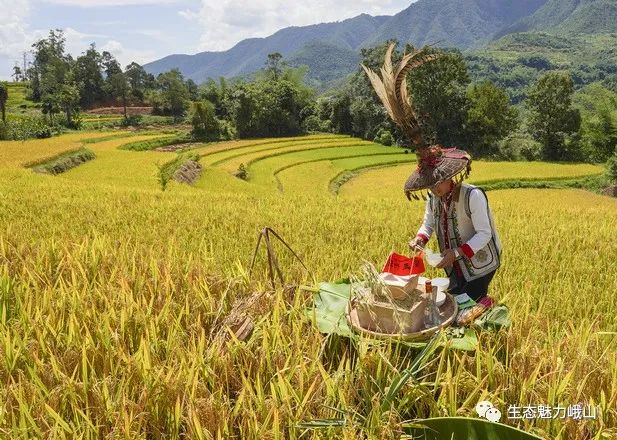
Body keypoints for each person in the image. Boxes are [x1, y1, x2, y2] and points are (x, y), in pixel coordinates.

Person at [361, 42, 502, 324]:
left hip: (479, 261)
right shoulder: (434, 198)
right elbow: (428, 222)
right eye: (430, 186)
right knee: (456, 297)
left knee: (470, 304)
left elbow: (484, 233)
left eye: (437, 184)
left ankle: (482, 318)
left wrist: (457, 253)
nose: (434, 189)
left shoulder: (472, 196)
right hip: (452, 262)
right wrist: (420, 239)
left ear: (449, 177)